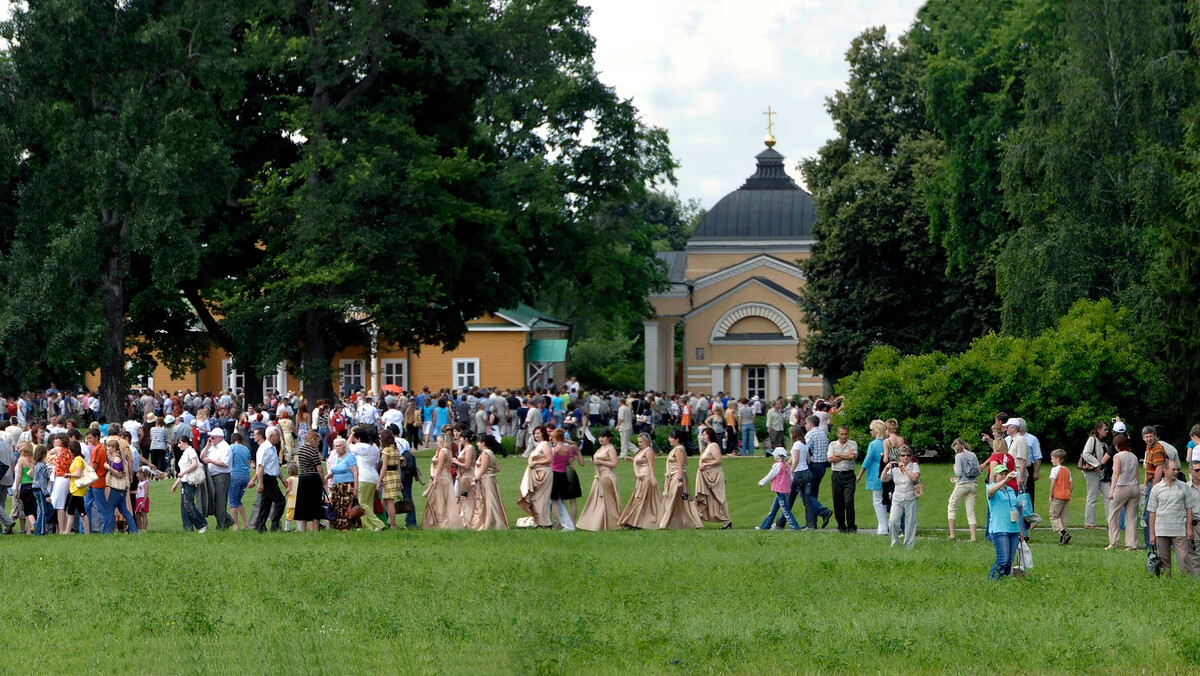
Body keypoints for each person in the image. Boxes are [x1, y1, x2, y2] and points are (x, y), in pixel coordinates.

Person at [1147, 459, 1192, 577]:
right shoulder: (1156, 489)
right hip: (1161, 530)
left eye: (1177, 469)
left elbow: (1189, 508)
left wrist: (1189, 528)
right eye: (1173, 469)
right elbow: (1152, 512)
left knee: (1184, 558)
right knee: (1164, 560)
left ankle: (1186, 581)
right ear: (1165, 470)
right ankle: (1167, 582)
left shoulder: (1184, 487)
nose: (1176, 472)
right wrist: (1152, 533)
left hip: (1179, 530)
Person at [577, 427, 621, 531]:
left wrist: (601, 462)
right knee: (596, 499)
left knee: (607, 500)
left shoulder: (610, 448)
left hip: (607, 476)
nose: (601, 439)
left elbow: (614, 464)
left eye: (603, 437)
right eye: (600, 437)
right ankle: (595, 521)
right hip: (598, 477)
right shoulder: (600, 448)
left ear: (609, 438)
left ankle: (611, 522)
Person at [658, 428, 702, 529]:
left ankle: (670, 522)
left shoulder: (679, 450)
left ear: (677, 439)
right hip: (673, 476)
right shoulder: (676, 449)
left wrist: (680, 480)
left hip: (677, 476)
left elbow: (681, 466)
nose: (669, 439)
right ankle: (673, 521)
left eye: (671, 438)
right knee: (673, 499)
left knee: (676, 498)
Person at [1106, 433, 1141, 551]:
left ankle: (1113, 542)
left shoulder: (1118, 456)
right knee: (1131, 517)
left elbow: (1116, 473)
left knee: (1113, 515)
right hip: (1134, 487)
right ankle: (1132, 544)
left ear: (1117, 445)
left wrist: (1112, 489)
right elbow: (1137, 473)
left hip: (1122, 487)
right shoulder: (1134, 456)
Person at [618, 432, 660, 529]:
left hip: (646, 475)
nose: (639, 444)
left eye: (641, 442)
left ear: (647, 441)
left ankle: (637, 520)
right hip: (640, 476)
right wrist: (632, 460)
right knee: (639, 497)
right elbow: (641, 461)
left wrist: (653, 477)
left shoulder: (649, 450)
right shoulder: (642, 451)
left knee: (642, 498)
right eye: (638, 442)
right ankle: (636, 520)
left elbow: (651, 464)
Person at [986, 465, 1021, 579]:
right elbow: (991, 492)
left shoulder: (1010, 490)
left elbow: (1015, 508)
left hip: (1013, 528)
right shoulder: (991, 487)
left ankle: (1003, 580)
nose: (1003, 476)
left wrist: (1020, 529)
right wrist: (1005, 481)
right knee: (1003, 559)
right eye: (1001, 474)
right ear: (995, 476)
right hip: (999, 528)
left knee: (1010, 560)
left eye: (1005, 474)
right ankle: (992, 580)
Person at [248, 428, 286, 532]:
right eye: (278, 435)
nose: (279, 438)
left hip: (272, 478)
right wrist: (260, 483)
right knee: (280, 501)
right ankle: (275, 525)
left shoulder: (273, 448)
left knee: (265, 505)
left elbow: (275, 466)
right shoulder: (264, 448)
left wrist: (282, 478)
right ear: (271, 436)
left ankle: (260, 528)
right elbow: (260, 467)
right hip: (267, 479)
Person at [882, 446, 920, 549]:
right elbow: (884, 479)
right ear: (899, 456)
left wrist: (904, 468)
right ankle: (895, 543)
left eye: (908, 455)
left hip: (911, 497)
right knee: (893, 521)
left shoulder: (914, 465)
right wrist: (887, 467)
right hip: (897, 497)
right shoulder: (894, 468)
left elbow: (914, 477)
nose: (905, 457)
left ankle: (908, 545)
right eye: (903, 455)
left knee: (910, 522)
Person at [422, 437, 464, 529]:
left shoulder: (443, 451)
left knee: (439, 499)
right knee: (446, 499)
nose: (437, 443)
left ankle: (440, 520)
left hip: (441, 476)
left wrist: (435, 477)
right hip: (447, 476)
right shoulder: (448, 451)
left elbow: (440, 466)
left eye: (438, 441)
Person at [348, 426, 384, 531]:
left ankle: (379, 523)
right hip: (373, 476)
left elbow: (347, 445)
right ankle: (368, 527)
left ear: (358, 437)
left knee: (362, 503)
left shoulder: (360, 446)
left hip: (364, 477)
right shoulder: (375, 448)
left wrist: (352, 433)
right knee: (369, 504)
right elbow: (376, 465)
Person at [694, 426, 731, 529]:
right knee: (707, 498)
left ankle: (726, 520)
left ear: (710, 435)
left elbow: (718, 460)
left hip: (714, 475)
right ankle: (699, 519)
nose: (703, 437)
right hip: (706, 475)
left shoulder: (714, 446)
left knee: (719, 497)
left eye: (705, 435)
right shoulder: (707, 447)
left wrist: (706, 465)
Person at [778, 424, 814, 529]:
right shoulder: (804, 444)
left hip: (798, 474)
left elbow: (796, 460)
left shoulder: (796, 445)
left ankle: (780, 523)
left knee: (789, 499)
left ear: (793, 434)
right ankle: (810, 524)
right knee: (807, 500)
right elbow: (808, 459)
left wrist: (789, 472)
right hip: (806, 472)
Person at [470, 434, 508, 530]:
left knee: (490, 501)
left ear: (483, 443)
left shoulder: (485, 453)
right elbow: (497, 468)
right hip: (489, 478)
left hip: (486, 479)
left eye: (479, 442)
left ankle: (492, 522)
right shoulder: (490, 452)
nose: (477, 444)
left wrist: (476, 479)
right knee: (490, 499)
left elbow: (483, 468)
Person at [758, 447, 801, 530]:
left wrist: (761, 482)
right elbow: (790, 478)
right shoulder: (787, 465)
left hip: (780, 490)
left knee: (785, 510)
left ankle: (794, 527)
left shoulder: (777, 465)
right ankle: (764, 526)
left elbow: (770, 475)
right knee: (774, 509)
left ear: (777, 456)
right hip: (785, 490)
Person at [170, 437, 208, 533]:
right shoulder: (185, 453)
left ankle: (202, 523)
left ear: (185, 442)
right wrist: (176, 484)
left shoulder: (191, 452)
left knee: (188, 504)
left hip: (190, 481)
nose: (178, 445)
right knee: (184, 506)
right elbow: (183, 471)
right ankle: (187, 528)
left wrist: (183, 473)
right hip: (184, 481)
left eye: (179, 443)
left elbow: (194, 464)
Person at [200, 428, 234, 530]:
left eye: (213, 437)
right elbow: (202, 456)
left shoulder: (225, 448)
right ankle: (227, 520)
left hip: (221, 476)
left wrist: (210, 460)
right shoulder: (213, 446)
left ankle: (222, 524)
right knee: (211, 501)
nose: (211, 439)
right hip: (212, 475)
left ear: (219, 437)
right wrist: (207, 445)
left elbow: (224, 463)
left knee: (220, 501)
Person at [803, 415, 834, 528]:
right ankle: (811, 523)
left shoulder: (810, 434)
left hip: (814, 465)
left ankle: (823, 511)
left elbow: (804, 449)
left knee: (806, 494)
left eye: (806, 423)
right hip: (822, 466)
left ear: (810, 424)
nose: (805, 425)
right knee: (813, 494)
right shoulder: (822, 434)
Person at [102, 439, 138, 534]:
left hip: (116, 489)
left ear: (114, 448)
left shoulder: (116, 459)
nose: (107, 448)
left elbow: (119, 474)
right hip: (122, 489)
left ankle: (108, 531)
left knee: (109, 509)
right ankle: (134, 530)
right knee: (124, 510)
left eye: (109, 446)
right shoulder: (117, 458)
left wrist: (108, 467)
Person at [858, 420, 888, 535]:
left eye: (872, 430)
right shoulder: (887, 442)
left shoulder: (873, 444)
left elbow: (867, 461)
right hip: (887, 474)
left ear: (876, 431)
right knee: (885, 501)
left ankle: (883, 527)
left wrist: (860, 475)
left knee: (878, 501)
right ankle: (884, 525)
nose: (871, 432)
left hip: (876, 475)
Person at [947, 438, 979, 541]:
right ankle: (973, 537)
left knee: (952, 506)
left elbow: (959, 473)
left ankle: (952, 535)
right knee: (970, 511)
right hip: (973, 484)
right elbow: (978, 469)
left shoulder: (958, 456)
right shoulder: (973, 454)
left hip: (962, 485)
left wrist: (955, 468)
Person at [1079, 421, 1110, 529]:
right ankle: (1089, 523)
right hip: (1092, 472)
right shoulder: (1092, 439)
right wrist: (1097, 464)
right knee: (1092, 497)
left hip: (1102, 473)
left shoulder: (1103, 443)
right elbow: (1086, 454)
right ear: (1098, 430)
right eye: (1104, 429)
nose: (1107, 431)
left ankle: (1110, 522)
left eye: (1107, 429)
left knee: (1108, 496)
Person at [827, 424, 858, 532]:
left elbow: (852, 457)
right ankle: (841, 525)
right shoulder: (832, 444)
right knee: (838, 501)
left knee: (849, 501)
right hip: (837, 475)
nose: (844, 436)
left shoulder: (853, 444)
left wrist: (838, 455)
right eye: (842, 434)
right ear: (837, 434)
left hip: (849, 475)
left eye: (845, 434)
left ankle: (851, 525)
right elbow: (830, 459)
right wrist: (845, 455)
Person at [292, 431, 324, 532]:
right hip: (313, 478)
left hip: (303, 478)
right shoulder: (313, 451)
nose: (318, 444)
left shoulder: (301, 450)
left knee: (303, 503)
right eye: (317, 441)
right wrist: (323, 480)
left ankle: (303, 529)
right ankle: (315, 528)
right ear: (313, 440)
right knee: (315, 503)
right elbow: (319, 468)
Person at [326, 438, 360, 530]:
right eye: (336, 446)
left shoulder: (350, 457)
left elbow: (355, 473)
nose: (338, 448)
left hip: (347, 485)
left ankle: (347, 526)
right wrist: (325, 478)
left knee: (346, 506)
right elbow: (334, 471)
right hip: (336, 486)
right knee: (336, 506)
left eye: (339, 446)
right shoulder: (336, 458)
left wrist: (356, 488)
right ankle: (338, 525)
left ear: (344, 446)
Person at [546, 429, 577, 530]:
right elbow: (574, 445)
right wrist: (566, 441)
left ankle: (559, 521)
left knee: (554, 500)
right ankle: (564, 520)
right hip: (563, 474)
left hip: (555, 474)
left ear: (555, 438)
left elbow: (550, 460)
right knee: (562, 500)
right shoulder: (568, 449)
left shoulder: (554, 450)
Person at [376, 428, 406, 530]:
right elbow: (398, 466)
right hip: (395, 475)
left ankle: (393, 524)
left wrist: (379, 481)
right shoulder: (396, 450)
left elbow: (384, 467)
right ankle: (391, 520)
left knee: (389, 501)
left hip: (388, 475)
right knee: (384, 500)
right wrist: (400, 480)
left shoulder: (385, 451)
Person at [451, 426, 479, 528]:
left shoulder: (470, 448)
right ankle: (463, 519)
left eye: (461, 437)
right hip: (462, 476)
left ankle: (469, 520)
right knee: (462, 498)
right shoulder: (465, 448)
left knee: (467, 498)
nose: (460, 439)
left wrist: (456, 462)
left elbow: (467, 465)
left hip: (468, 476)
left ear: (466, 438)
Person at [1048, 449, 1073, 545]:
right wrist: (1067, 492)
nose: (1051, 461)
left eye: (1052, 459)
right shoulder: (1067, 470)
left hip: (1057, 496)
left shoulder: (1055, 470)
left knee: (1053, 515)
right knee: (1063, 518)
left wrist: (1051, 495)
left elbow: (1053, 483)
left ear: (1057, 459)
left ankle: (1064, 533)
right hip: (1066, 496)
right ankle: (1063, 539)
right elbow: (1072, 484)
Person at [13, 441, 36, 534]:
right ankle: (29, 530)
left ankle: (35, 525)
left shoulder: (21, 460)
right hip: (33, 485)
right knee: (33, 507)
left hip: (25, 485)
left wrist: (16, 489)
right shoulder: (33, 459)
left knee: (27, 509)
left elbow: (19, 476)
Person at [31, 445, 50, 535]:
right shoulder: (42, 466)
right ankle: (41, 531)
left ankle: (36, 527)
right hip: (39, 489)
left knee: (48, 508)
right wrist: (46, 493)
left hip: (36, 488)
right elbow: (42, 481)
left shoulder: (37, 465)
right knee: (42, 511)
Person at [133, 467, 151, 532]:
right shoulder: (140, 482)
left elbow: (146, 493)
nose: (137, 475)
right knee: (137, 514)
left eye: (138, 473)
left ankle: (144, 529)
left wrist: (143, 502)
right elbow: (138, 491)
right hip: (138, 499)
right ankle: (139, 529)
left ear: (142, 474)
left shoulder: (145, 483)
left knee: (143, 514)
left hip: (143, 499)